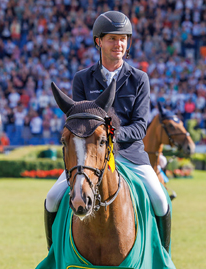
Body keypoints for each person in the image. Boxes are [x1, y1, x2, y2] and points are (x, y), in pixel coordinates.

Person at [44, 11, 171, 253]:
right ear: (98, 41)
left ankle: (164, 258)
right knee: (52, 198)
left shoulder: (139, 79)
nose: (119, 44)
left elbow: (140, 125)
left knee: (160, 199)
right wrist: (97, 144)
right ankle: (53, 255)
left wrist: (111, 138)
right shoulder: (82, 79)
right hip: (89, 157)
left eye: (123, 38)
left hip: (130, 155)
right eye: (112, 38)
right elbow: (77, 124)